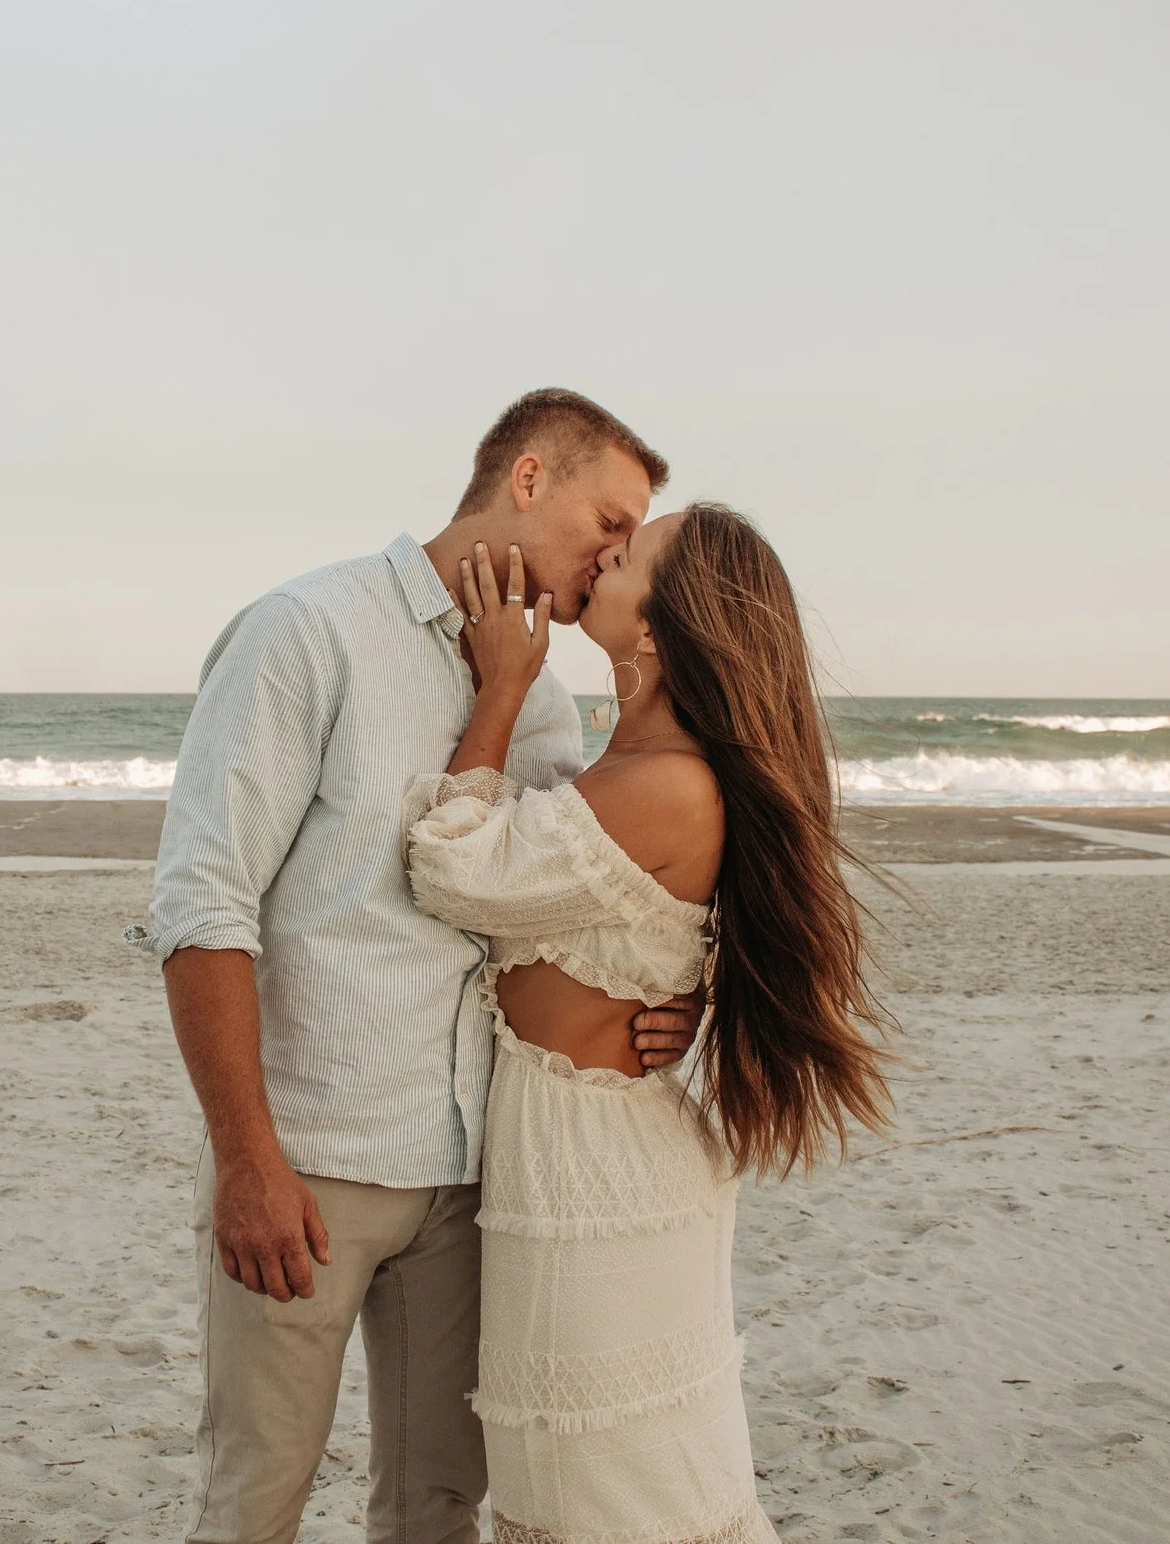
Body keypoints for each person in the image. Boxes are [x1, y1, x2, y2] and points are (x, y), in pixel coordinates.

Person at [141, 389, 705, 1544]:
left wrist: (673, 994)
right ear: (529, 478)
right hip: (311, 1166)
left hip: (475, 1174)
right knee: (256, 1500)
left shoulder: (538, 694)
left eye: (628, 538)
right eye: (607, 517)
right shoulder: (304, 629)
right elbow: (202, 906)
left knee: (438, 1507)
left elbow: (555, 896)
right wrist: (246, 1157)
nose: (612, 552)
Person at [400, 504, 899, 1543]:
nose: (603, 551)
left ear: (663, 628)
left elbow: (448, 867)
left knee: (614, 1491)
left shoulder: (665, 783)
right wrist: (699, 983)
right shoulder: (636, 768)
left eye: (627, 555)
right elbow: (666, 913)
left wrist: (498, 690)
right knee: (585, 1482)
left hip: (601, 1175)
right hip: (582, 1151)